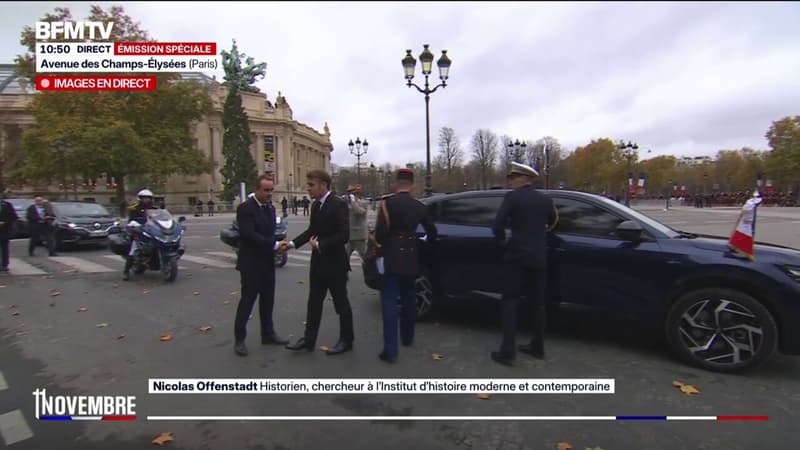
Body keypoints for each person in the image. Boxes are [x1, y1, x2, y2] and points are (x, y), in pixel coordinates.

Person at [490, 162, 557, 366]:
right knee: (538, 304)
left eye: (513, 178)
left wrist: (503, 241)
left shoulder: (512, 197)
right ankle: (537, 347)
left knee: (510, 302)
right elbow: (553, 221)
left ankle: (507, 352)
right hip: (539, 257)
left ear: (524, 179)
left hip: (517, 257)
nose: (511, 182)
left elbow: (497, 225)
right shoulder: (545, 200)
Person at [281, 169, 354, 355]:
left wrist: (321, 244)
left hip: (335, 264)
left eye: (311, 185)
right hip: (318, 263)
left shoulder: (338, 204)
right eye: (308, 185)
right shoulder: (315, 206)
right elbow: (311, 231)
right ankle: (309, 339)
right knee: (314, 302)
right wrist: (291, 244)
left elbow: (344, 235)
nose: (308, 189)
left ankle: (347, 340)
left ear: (323, 185)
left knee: (341, 303)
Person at [374, 169, 437, 363]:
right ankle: (408, 337)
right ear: (412, 185)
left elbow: (380, 234)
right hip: (411, 253)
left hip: (392, 253)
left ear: (396, 183)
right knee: (409, 297)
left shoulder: (387, 203)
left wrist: (378, 248)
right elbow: (431, 232)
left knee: (390, 301)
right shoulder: (419, 206)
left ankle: (390, 350)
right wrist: (421, 243)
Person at [233, 175, 288, 356]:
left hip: (267, 262)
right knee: (247, 302)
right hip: (250, 264)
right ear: (257, 190)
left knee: (268, 301)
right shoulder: (245, 208)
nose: (269, 193)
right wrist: (273, 245)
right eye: (266, 190)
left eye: (271, 190)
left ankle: (268, 334)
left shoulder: (270, 209)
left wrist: (277, 246)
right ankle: (239, 339)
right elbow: (249, 234)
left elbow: (271, 232)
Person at [123, 189, 157, 281]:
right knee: (133, 250)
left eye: (148, 198)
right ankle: (126, 272)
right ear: (140, 199)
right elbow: (131, 221)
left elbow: (160, 219)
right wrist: (134, 224)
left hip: (151, 232)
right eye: (144, 198)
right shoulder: (134, 209)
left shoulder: (154, 209)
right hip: (138, 233)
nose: (147, 200)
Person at [345, 184, 368, 263]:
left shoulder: (363, 202)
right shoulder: (346, 203)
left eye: (352, 193)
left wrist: (353, 202)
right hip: (348, 235)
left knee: (366, 257)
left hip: (359, 236)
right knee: (344, 259)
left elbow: (359, 212)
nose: (349, 194)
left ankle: (371, 273)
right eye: (348, 192)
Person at [0, 193, 19, 272]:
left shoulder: (7, 205)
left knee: (4, 248)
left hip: (4, 230)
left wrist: (5, 222)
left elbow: (14, 217)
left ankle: (4, 265)